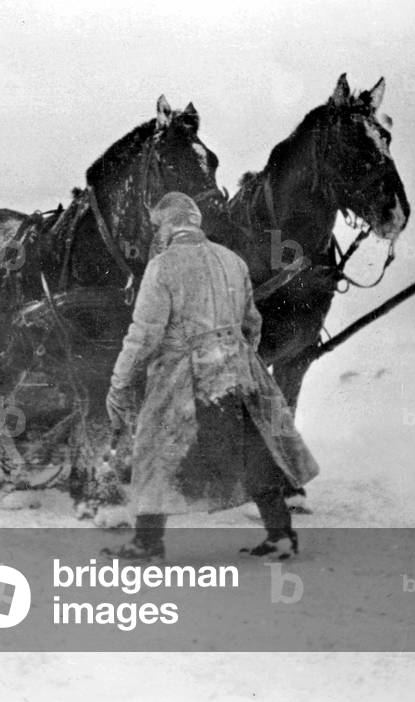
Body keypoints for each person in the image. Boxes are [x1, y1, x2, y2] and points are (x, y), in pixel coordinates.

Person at [103, 192, 319, 562]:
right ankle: (281, 535)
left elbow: (143, 336)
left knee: (155, 450)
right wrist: (239, 356)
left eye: (157, 227)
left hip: (181, 373)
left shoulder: (163, 266)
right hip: (237, 368)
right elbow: (252, 323)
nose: (157, 235)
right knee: (255, 449)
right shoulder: (231, 260)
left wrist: (120, 382)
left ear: (167, 226)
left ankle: (147, 543)